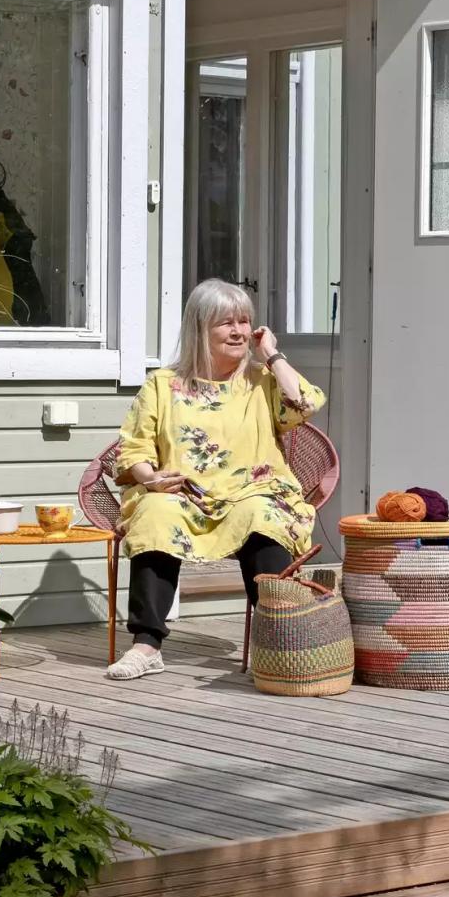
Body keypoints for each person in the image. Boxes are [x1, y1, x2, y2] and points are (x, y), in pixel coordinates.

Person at [106, 277, 325, 682]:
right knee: (154, 513)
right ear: (200, 330)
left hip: (252, 491)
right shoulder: (163, 385)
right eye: (227, 323)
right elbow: (133, 450)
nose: (240, 331)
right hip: (184, 496)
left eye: (245, 321)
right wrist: (151, 480)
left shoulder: (262, 381)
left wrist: (273, 355)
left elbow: (305, 402)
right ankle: (146, 646)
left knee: (263, 513)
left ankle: (274, 638)